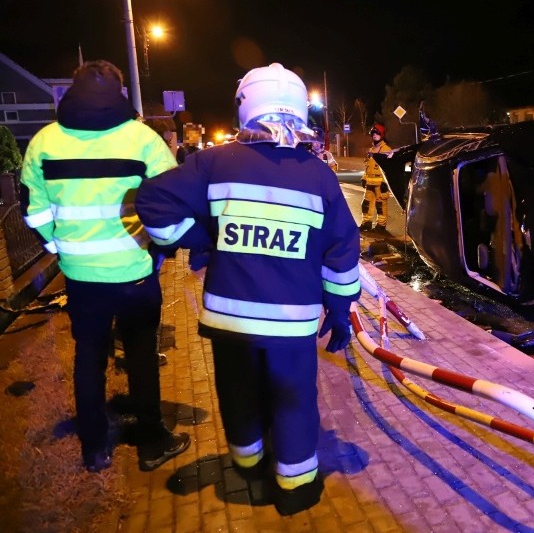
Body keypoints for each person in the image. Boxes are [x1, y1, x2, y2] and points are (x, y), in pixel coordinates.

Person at [134, 62, 361, 516]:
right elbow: (341, 253)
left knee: (238, 394)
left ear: (245, 107)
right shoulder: (319, 177)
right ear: (298, 111)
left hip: (229, 320)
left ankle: (249, 465)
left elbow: (152, 203)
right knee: (294, 401)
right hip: (292, 325)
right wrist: (339, 312)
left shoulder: (213, 164)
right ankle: (295, 490)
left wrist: (203, 238)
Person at [19, 60, 191, 473]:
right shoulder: (143, 139)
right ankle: (152, 441)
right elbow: (170, 203)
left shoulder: (44, 142)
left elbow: (33, 211)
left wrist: (61, 248)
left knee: (89, 356)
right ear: (118, 93)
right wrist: (163, 249)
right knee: (142, 356)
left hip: (81, 275)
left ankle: (95, 448)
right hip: (135, 270)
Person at [359, 123, 393, 233]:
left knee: (380, 205)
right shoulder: (371, 150)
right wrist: (364, 178)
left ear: (382, 135)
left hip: (380, 184)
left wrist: (385, 183)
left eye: (377, 133)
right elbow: (367, 167)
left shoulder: (386, 149)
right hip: (370, 183)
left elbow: (389, 169)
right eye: (373, 133)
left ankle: (381, 226)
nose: (374, 135)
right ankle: (366, 223)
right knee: (366, 205)